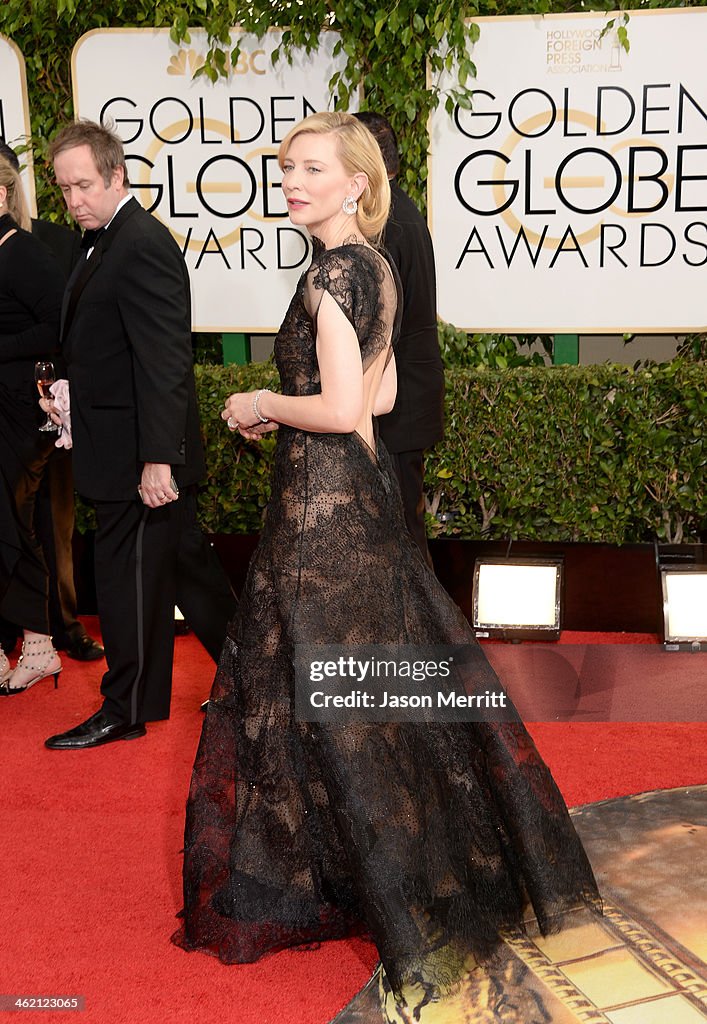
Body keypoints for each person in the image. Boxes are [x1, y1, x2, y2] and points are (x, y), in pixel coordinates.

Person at [174, 112, 600, 1021]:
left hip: (320, 513)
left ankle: (357, 886)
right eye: (285, 166)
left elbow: (338, 409)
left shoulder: (331, 273)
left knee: (323, 698)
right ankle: (418, 873)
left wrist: (256, 398)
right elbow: (388, 390)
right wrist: (310, 408)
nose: (290, 181)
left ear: (354, 184)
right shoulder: (376, 268)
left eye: (310, 169)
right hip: (360, 502)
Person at [43, 120, 236, 750]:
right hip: (116, 444)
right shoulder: (100, 239)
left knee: (126, 581)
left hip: (137, 457)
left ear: (117, 174)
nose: (73, 200)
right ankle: (258, 680)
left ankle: (124, 707)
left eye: (83, 185)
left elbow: (164, 359)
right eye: (63, 188)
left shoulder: (141, 243)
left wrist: (159, 459)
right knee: (188, 572)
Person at [0, 139, 104, 663]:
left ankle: (58, 628)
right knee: (10, 520)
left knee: (49, 520)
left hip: (44, 407)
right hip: (10, 409)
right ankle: (18, 635)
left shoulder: (47, 244)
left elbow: (66, 328)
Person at [354, 111, 444, 568]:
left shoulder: (388, 224)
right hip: (397, 403)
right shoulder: (399, 213)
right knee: (397, 534)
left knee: (402, 540)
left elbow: (377, 333)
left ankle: (427, 638)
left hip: (392, 407)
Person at [0, 154, 64, 693]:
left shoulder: (24, 252)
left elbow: (58, 328)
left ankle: (39, 645)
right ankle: (9, 648)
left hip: (23, 410)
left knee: (12, 520)